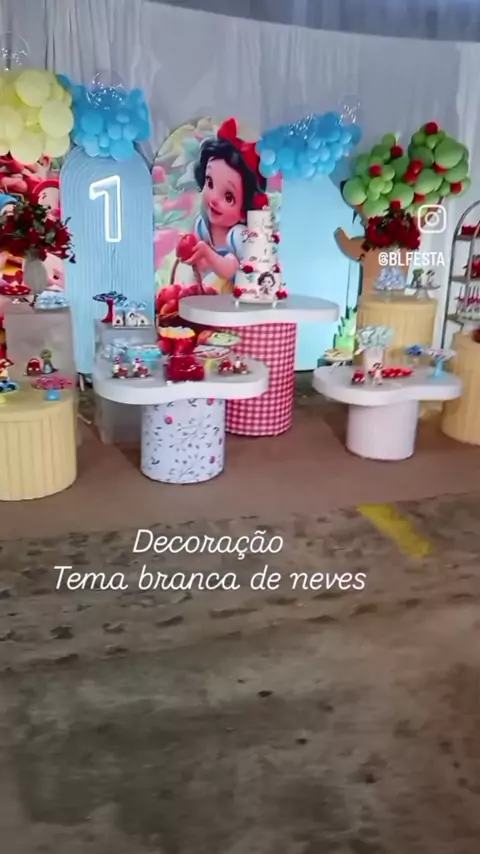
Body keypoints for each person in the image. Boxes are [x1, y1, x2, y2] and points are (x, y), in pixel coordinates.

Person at [185, 118, 269, 293]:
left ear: (243, 211)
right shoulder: (202, 226)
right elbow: (201, 267)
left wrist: (207, 254)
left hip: (234, 299)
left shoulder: (238, 235)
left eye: (229, 197)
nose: (214, 199)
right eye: (210, 183)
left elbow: (230, 269)